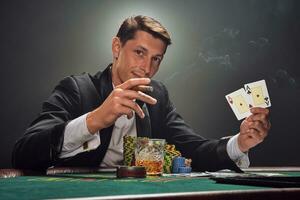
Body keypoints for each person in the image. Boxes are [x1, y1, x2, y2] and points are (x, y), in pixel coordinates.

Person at [12, 15, 270, 172]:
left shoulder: (157, 96)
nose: (147, 68)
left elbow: (194, 149)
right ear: (117, 47)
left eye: (156, 59)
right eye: (139, 52)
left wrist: (241, 142)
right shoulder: (77, 88)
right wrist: (95, 119)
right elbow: (23, 152)